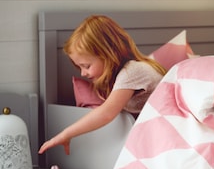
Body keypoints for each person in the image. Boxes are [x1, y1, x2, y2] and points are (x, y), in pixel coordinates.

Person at [39, 14, 166, 156]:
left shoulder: (132, 72)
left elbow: (106, 114)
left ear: (107, 54)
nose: (83, 73)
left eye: (86, 66)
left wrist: (66, 134)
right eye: (79, 67)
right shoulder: (121, 76)